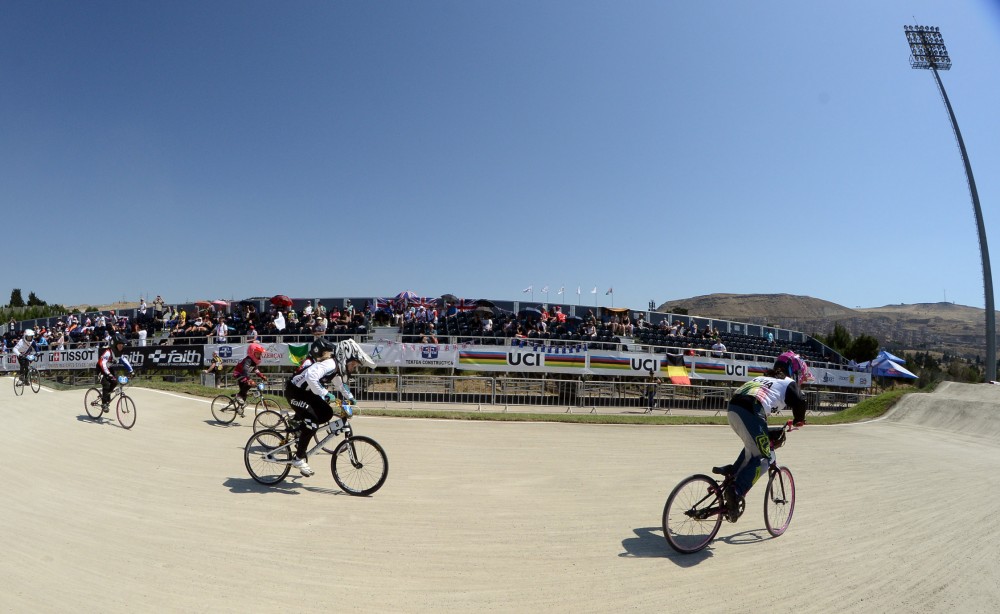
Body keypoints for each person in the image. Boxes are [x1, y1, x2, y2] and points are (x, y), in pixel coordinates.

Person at [722, 351, 809, 520]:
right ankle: (736, 490)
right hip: (751, 409)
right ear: (795, 371)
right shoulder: (788, 382)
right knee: (764, 457)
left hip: (734, 408)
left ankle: (732, 477)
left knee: (752, 449)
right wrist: (800, 419)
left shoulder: (764, 379)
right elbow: (800, 400)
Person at [284, 339, 375, 477]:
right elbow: (310, 376)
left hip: (306, 394)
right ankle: (298, 458)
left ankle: (301, 432)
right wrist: (326, 394)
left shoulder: (336, 368)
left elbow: (339, 385)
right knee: (313, 422)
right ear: (345, 358)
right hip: (294, 392)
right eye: (353, 364)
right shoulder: (330, 364)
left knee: (327, 413)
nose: (353, 368)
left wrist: (350, 397)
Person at [96, 333, 134, 413]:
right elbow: (102, 364)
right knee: (106, 384)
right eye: (120, 345)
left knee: (115, 382)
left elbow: (125, 361)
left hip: (109, 368)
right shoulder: (108, 352)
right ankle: (104, 403)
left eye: (122, 345)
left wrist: (131, 371)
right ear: (114, 344)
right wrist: (108, 374)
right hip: (100, 369)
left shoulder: (119, 354)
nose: (121, 346)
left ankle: (106, 395)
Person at [232, 342, 267, 408]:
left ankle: (240, 408)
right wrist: (249, 379)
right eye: (258, 353)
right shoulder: (248, 360)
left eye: (260, 353)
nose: (259, 355)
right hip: (238, 374)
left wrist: (262, 376)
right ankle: (238, 396)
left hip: (243, 375)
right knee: (250, 384)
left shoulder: (254, 362)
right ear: (252, 353)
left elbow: (256, 370)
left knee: (244, 393)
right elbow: (245, 370)